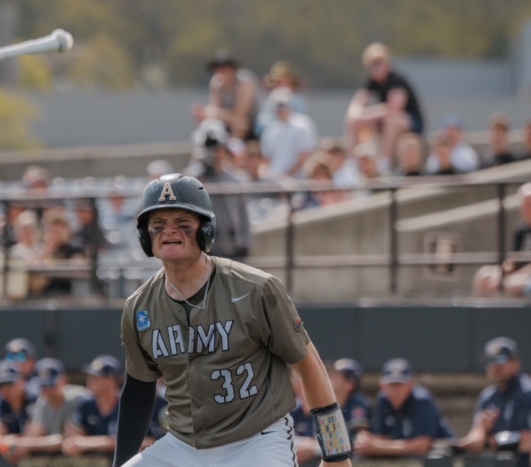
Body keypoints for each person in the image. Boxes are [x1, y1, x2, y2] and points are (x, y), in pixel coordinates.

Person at [113, 174, 352, 467]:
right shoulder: (139, 307)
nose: (169, 230)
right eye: (157, 224)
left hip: (257, 439)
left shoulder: (256, 288)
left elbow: (308, 365)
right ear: (144, 236)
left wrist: (337, 454)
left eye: (182, 222)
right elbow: (138, 391)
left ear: (206, 230)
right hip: (185, 445)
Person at [472, 183, 531, 296]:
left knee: (510, 284)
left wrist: (510, 278)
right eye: (524, 205)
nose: (527, 210)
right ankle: (478, 313)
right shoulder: (521, 228)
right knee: (484, 275)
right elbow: (512, 260)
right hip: (522, 272)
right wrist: (498, 273)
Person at [0, 358, 92, 463]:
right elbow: (34, 434)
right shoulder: (43, 400)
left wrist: (25, 445)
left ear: (63, 381)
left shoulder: (76, 398)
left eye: (50, 384)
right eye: (43, 385)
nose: (46, 390)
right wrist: (16, 444)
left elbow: (67, 439)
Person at [460, 338, 531, 467]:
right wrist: (480, 429)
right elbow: (475, 440)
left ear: (516, 362)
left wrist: (492, 442)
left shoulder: (530, 393)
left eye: (501, 359)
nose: (495, 366)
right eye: (490, 361)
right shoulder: (487, 396)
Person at [355, 358, 452, 458]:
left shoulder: (422, 400)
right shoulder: (383, 400)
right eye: (392, 385)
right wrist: (366, 441)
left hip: (441, 456)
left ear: (410, 384)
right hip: (405, 455)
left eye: (400, 385)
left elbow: (422, 446)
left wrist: (377, 447)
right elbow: (381, 436)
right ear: (383, 385)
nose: (396, 390)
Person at [346, 43, 424, 160]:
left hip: (411, 122)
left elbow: (393, 109)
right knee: (353, 122)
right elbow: (355, 107)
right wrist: (359, 117)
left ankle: (384, 161)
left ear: (387, 63)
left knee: (391, 120)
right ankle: (352, 162)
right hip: (383, 121)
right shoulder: (372, 82)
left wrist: (367, 115)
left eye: (378, 63)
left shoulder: (397, 80)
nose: (375, 68)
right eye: (372, 64)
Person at [186, 120, 252, 259]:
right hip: (206, 249)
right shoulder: (193, 179)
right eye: (209, 147)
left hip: (234, 247)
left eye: (218, 147)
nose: (214, 152)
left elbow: (243, 216)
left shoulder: (236, 180)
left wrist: (245, 243)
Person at [63, 355, 123, 458]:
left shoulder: (126, 405)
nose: (90, 380)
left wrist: (85, 444)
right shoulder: (86, 404)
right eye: (90, 376)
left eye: (96, 377)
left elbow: (121, 441)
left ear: (112, 380)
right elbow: (72, 437)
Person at [192, 54, 259, 139]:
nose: (220, 73)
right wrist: (204, 113)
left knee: (240, 125)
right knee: (205, 123)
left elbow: (240, 115)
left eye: (224, 69)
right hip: (227, 120)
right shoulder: (216, 83)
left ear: (233, 70)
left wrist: (213, 114)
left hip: (251, 124)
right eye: (217, 69)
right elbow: (214, 107)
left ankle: (233, 149)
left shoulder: (244, 83)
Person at [260, 91, 317, 178]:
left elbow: (304, 156)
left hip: (298, 181)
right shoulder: (269, 130)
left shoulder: (303, 125)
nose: (281, 109)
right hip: (274, 183)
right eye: (278, 106)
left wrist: (285, 176)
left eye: (283, 105)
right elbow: (267, 159)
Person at [0, 360, 37, 435]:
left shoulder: (34, 398)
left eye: (9, 383)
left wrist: (10, 440)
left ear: (22, 381)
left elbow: (34, 435)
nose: (5, 389)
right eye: (0, 385)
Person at [328, 359, 372, 440]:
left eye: (337, 376)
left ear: (350, 384)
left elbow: (355, 438)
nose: (331, 378)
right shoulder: (326, 402)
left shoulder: (359, 403)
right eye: (332, 374)